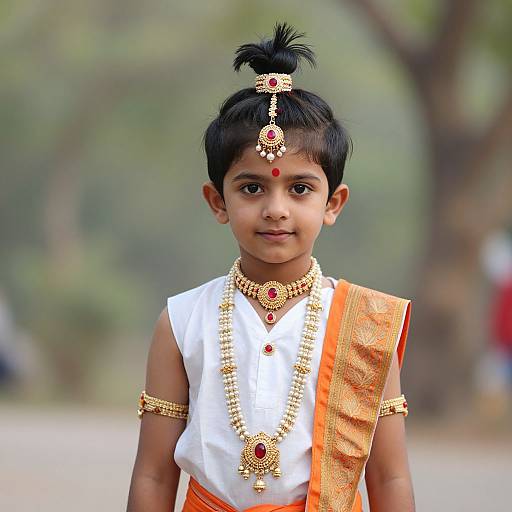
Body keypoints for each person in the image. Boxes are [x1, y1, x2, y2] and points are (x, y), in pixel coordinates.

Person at [127, 22, 414, 512]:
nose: (276, 208)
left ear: (334, 202)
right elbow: (154, 476)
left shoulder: (364, 325)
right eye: (252, 188)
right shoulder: (182, 321)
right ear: (218, 201)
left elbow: (389, 478)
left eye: (300, 188)